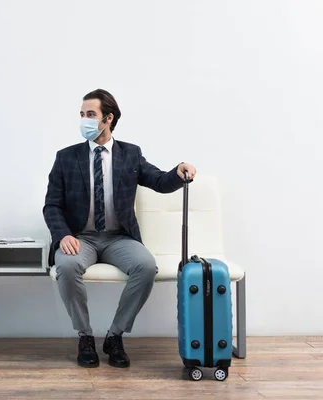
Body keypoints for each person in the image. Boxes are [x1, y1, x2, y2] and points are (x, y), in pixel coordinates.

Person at [43, 89, 196, 369]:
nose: (84, 120)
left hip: (119, 238)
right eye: (82, 115)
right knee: (65, 266)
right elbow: (51, 205)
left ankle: (115, 336)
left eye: (91, 115)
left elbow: (160, 181)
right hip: (81, 238)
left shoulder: (131, 154)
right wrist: (62, 234)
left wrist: (178, 171)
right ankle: (85, 336)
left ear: (108, 119)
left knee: (147, 266)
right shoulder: (66, 157)